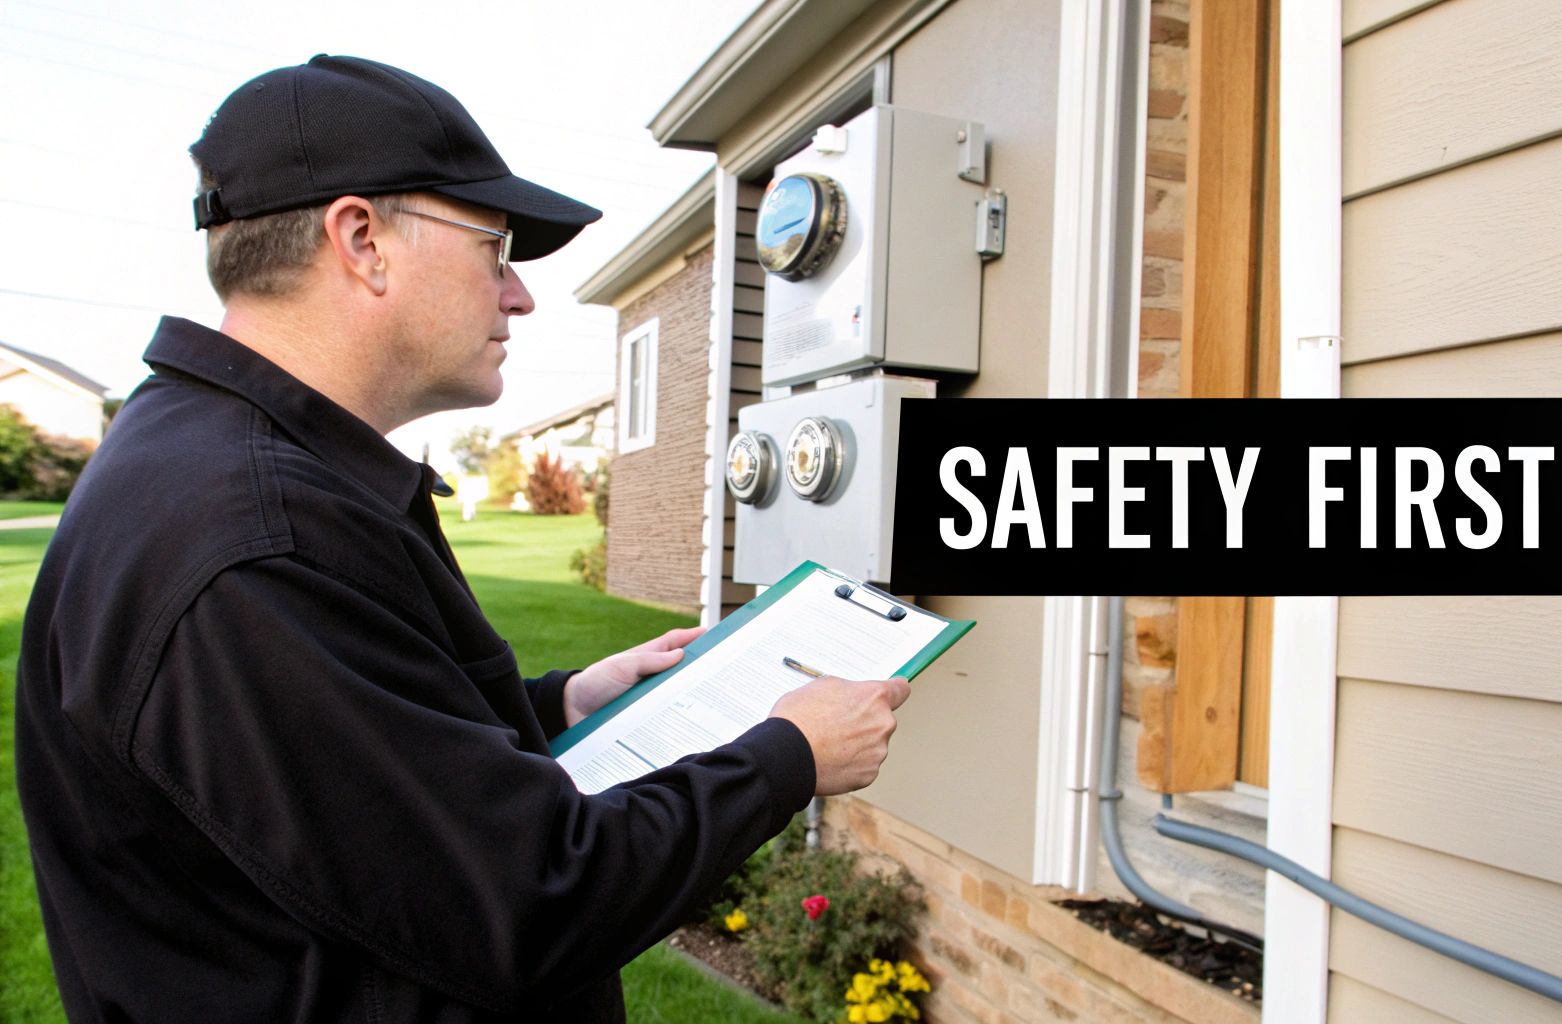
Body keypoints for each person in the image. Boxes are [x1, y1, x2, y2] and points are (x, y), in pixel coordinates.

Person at [14, 54, 911, 1023]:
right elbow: (530, 900)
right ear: (361, 240)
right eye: (494, 246)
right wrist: (789, 755)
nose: (518, 295)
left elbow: (358, 768)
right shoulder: (253, 543)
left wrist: (564, 702)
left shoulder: (232, 468)